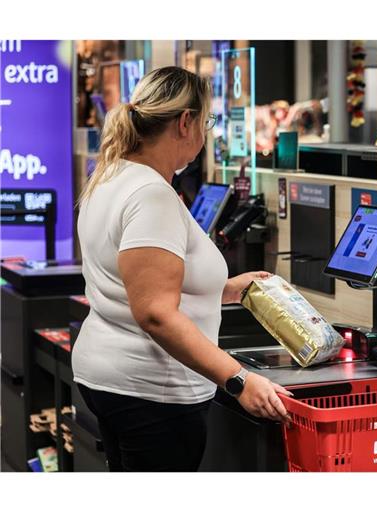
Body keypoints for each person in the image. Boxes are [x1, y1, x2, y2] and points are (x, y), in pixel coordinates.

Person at [73, 66, 291, 472]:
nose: (206, 134)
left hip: (113, 377)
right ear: (185, 122)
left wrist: (225, 288)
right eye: (206, 121)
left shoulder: (113, 176)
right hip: (151, 391)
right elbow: (155, 312)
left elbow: (135, 281)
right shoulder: (151, 194)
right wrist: (239, 379)